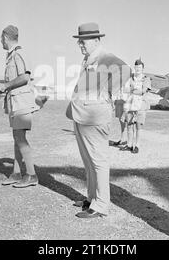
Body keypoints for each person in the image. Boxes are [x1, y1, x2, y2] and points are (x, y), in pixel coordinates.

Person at [66, 22, 131, 219]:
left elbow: (126, 70)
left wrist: (107, 92)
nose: (81, 45)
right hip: (83, 115)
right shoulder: (89, 58)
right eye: (79, 42)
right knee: (88, 161)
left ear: (96, 40)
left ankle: (101, 205)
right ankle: (92, 198)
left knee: (98, 161)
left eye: (84, 41)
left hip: (95, 117)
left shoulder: (104, 56)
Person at [0, 25, 40, 188]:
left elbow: (25, 77)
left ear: (6, 37)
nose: (0, 41)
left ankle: (31, 175)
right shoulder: (11, 55)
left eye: (1, 38)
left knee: (20, 138)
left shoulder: (19, 53)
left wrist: (5, 85)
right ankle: (16, 173)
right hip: (15, 102)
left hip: (22, 103)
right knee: (17, 138)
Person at [120, 58, 151, 153]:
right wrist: (133, 91)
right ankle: (129, 145)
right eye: (136, 67)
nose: (137, 69)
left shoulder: (146, 79)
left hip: (141, 106)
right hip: (130, 105)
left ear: (143, 69)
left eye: (140, 68)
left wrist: (132, 90)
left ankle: (137, 146)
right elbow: (125, 90)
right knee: (129, 125)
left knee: (138, 127)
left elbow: (142, 91)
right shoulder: (131, 78)